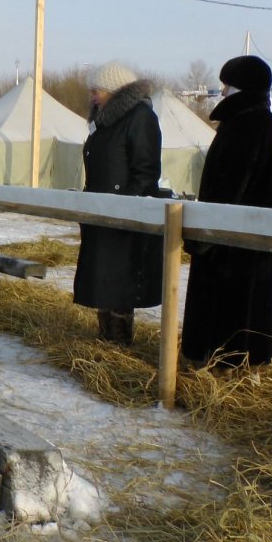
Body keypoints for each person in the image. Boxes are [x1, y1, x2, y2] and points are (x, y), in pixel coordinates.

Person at [181, 55, 272, 368]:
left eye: (228, 84)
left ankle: (226, 363)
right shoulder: (252, 119)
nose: (223, 90)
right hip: (244, 236)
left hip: (233, 241)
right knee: (243, 303)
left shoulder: (247, 121)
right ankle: (234, 361)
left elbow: (231, 185)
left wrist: (205, 236)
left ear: (241, 87)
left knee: (231, 307)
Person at [72, 62, 163, 345]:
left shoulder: (139, 116)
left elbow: (146, 169)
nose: (92, 97)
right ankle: (105, 342)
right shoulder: (104, 121)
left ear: (113, 90)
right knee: (103, 283)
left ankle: (120, 346)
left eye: (96, 91)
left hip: (123, 216)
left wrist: (128, 208)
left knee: (120, 286)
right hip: (102, 213)